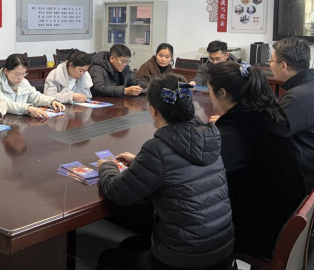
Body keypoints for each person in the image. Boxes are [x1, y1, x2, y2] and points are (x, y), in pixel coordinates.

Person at [96, 74, 234, 270]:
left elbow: (118, 193)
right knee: (130, 244)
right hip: (220, 251)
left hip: (184, 261)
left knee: (108, 258)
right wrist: (141, 162)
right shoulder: (209, 136)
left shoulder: (157, 149)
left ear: (153, 109)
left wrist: (107, 166)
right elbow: (179, 166)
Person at [206, 61, 306, 257]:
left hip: (265, 230)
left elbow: (206, 174)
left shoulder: (236, 131)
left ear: (222, 93)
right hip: (290, 214)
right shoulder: (267, 113)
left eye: (210, 90)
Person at [270, 37, 314, 190]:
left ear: (283, 66)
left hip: (310, 178)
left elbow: (272, 133)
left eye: (271, 61)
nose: (270, 64)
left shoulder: (297, 96)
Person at [0, 54, 65, 118]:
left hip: (20, 122)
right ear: (6, 71)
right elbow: (4, 104)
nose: (21, 78)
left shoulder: (23, 82)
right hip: (3, 121)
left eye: (23, 73)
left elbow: (35, 96)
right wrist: (28, 108)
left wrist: (51, 101)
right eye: (17, 74)